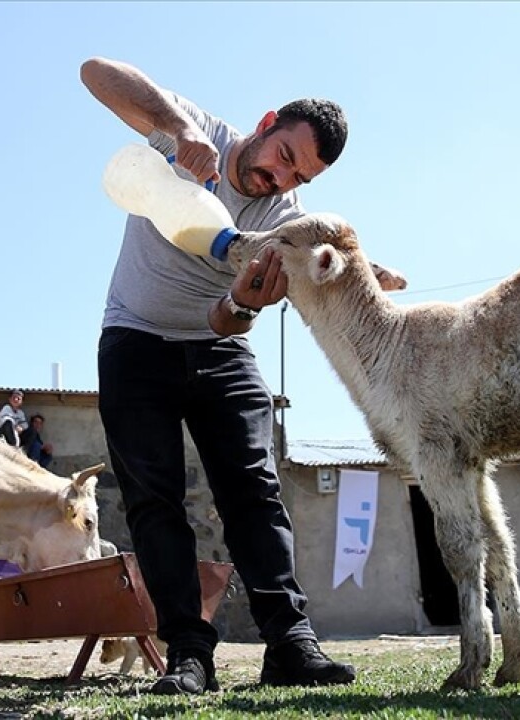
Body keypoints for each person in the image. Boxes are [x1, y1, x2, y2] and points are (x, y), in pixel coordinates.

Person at [82, 56, 404, 695]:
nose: (278, 176)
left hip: (217, 346)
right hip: (134, 342)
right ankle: (188, 655)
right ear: (264, 124)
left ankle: (289, 643)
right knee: (153, 499)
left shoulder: (284, 222)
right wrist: (178, 130)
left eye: (297, 174)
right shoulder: (200, 132)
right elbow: (95, 72)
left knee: (254, 491)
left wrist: (244, 305)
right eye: (283, 154)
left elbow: (227, 320)